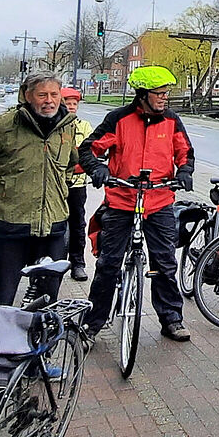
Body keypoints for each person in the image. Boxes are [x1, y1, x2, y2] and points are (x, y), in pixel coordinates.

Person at [79, 66, 194, 343]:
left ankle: (171, 319)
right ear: (143, 95)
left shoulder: (171, 120)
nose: (165, 98)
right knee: (109, 263)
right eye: (159, 94)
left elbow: (185, 152)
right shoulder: (119, 119)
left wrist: (185, 171)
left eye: (167, 93)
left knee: (165, 263)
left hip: (159, 201)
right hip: (122, 199)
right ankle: (93, 323)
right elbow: (88, 149)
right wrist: (98, 169)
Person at [0, 73, 79, 306]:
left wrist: (59, 193)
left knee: (47, 302)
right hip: (10, 229)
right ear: (27, 96)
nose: (49, 100)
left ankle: (37, 341)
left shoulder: (67, 127)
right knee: (0, 300)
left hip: (54, 230)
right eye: (42, 95)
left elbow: (70, 164)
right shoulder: (3, 127)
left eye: (54, 94)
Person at [60, 86, 92, 281]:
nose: (72, 107)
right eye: (68, 103)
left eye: (74, 104)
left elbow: (90, 152)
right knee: (54, 225)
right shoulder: (54, 126)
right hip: (56, 184)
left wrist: (79, 167)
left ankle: (78, 263)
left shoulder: (85, 126)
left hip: (77, 184)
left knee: (78, 224)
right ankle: (52, 263)